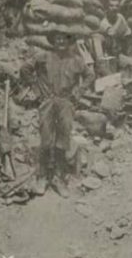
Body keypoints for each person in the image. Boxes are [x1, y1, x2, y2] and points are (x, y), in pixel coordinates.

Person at [34, 31, 92, 195]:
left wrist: (78, 92)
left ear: (69, 42)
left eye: (63, 39)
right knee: (46, 139)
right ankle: (43, 177)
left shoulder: (76, 60)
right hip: (47, 101)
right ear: (53, 41)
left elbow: (89, 75)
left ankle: (59, 179)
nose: (60, 42)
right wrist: (37, 91)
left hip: (66, 102)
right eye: (57, 38)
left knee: (63, 140)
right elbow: (26, 69)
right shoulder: (44, 56)